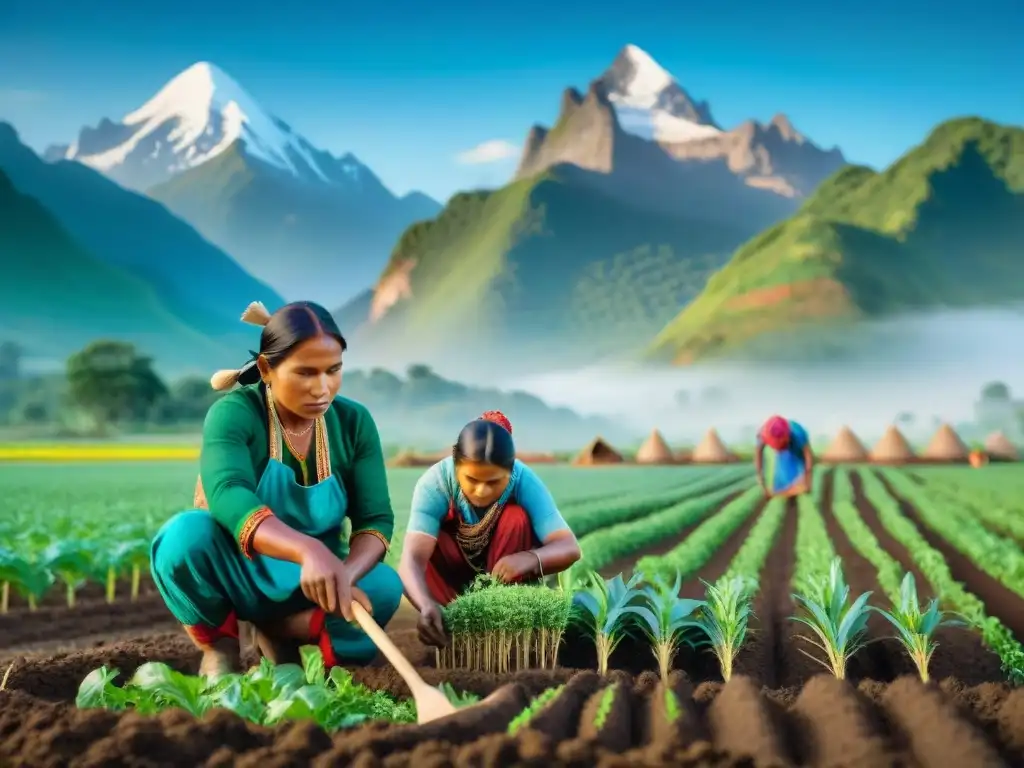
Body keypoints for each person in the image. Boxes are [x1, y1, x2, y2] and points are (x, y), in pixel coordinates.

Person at [150, 300, 403, 677]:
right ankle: (221, 649)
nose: (322, 388)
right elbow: (229, 491)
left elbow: (376, 520)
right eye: (305, 372)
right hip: (243, 571)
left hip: (312, 585)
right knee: (181, 540)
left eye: (333, 371)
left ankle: (290, 637)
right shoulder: (234, 413)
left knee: (382, 586)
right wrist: (306, 549)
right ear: (267, 369)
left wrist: (344, 578)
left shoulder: (354, 422)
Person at [398, 411, 582, 648]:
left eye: (494, 482)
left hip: (505, 580)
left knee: (516, 518)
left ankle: (503, 628)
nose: (482, 491)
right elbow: (411, 560)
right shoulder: (435, 483)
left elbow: (569, 547)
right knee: (430, 542)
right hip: (449, 585)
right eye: (472, 479)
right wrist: (425, 604)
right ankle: (455, 626)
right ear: (456, 462)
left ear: (511, 469)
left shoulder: (523, 478)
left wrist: (530, 558)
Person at [755, 414, 814, 498]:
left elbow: (808, 457)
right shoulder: (762, 434)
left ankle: (791, 492)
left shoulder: (797, 432)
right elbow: (758, 454)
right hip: (782, 456)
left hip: (796, 448)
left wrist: (807, 479)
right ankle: (782, 492)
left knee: (798, 482)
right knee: (781, 482)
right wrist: (761, 480)